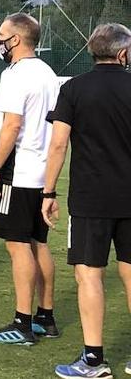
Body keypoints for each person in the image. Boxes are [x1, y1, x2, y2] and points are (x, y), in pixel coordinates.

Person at [45, 23, 131, 378]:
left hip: (89, 199)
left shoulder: (74, 88)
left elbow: (58, 144)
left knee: (89, 275)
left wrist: (48, 192)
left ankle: (94, 361)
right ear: (123, 54)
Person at [0, 13, 60, 345]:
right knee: (38, 243)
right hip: (40, 171)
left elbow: (12, 126)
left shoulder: (16, 74)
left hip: (18, 170)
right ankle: (45, 316)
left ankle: (22, 324)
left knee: (17, 244)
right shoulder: (48, 73)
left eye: (1, 35)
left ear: (16, 39)